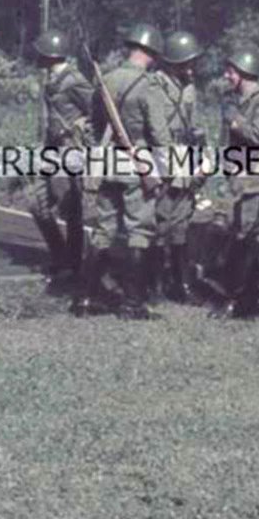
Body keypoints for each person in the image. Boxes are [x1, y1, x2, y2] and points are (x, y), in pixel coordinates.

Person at [88, 24, 172, 320]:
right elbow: (159, 134)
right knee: (139, 230)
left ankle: (89, 297)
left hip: (109, 161)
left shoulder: (106, 80)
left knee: (104, 229)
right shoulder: (148, 85)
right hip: (138, 163)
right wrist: (163, 169)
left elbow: (96, 123)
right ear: (150, 53)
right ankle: (132, 303)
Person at [214, 50, 259, 319]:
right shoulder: (235, 100)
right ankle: (250, 299)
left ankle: (254, 301)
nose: (226, 76)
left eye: (231, 71)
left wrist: (235, 121)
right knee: (242, 236)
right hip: (240, 181)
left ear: (243, 72)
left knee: (254, 239)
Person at [28, 31, 93, 298]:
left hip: (70, 152)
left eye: (41, 53)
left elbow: (97, 112)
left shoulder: (74, 80)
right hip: (50, 151)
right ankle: (60, 254)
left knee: (70, 208)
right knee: (35, 203)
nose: (37, 56)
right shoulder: (51, 80)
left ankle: (72, 263)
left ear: (50, 55)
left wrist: (79, 127)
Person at [154, 32, 207, 305]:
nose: (190, 67)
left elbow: (194, 126)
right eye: (185, 62)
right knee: (158, 222)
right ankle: (153, 281)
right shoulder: (156, 85)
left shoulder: (189, 88)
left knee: (181, 223)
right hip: (163, 159)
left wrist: (201, 160)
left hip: (185, 158)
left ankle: (181, 283)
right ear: (172, 62)